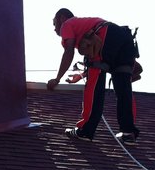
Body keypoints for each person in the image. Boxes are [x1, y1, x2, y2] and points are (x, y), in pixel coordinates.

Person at [46, 8, 140, 143]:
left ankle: (85, 130)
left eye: (54, 24)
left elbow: (69, 51)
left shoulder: (67, 24)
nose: (54, 29)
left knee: (94, 86)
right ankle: (128, 132)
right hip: (124, 38)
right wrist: (80, 76)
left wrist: (57, 78)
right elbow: (103, 56)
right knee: (123, 87)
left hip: (104, 35)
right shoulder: (83, 24)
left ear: (61, 18)